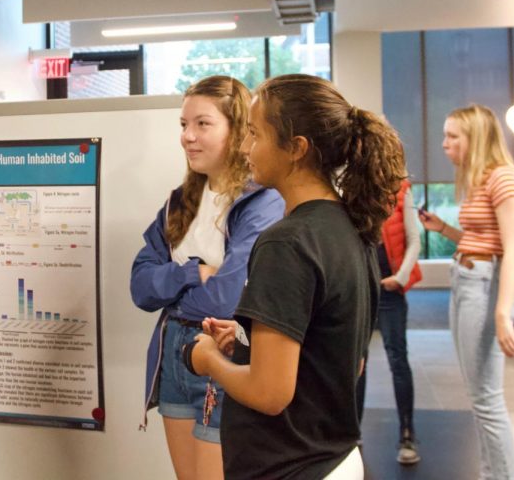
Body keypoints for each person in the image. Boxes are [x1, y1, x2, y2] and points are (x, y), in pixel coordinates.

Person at [185, 74, 406, 480]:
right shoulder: (352, 227)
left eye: (255, 134)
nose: (246, 148)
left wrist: (207, 359)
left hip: (289, 466)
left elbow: (270, 394)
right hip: (335, 459)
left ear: (297, 149)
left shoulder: (286, 243)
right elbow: (342, 359)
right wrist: (250, 342)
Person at [130, 75, 284, 480]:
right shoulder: (179, 202)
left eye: (202, 124)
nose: (187, 136)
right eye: (183, 125)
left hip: (224, 350)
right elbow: (140, 287)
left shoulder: (262, 201)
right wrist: (193, 272)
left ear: (236, 131)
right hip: (174, 359)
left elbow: (226, 299)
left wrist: (179, 287)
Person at [418, 104, 514, 480]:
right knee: (480, 397)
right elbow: (485, 239)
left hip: (484, 287)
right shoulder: (482, 179)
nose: (445, 144)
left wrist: (502, 313)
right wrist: (444, 230)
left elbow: (513, 248)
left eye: (453, 136)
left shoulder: (505, 179)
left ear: (476, 138)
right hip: (468, 280)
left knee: (487, 399)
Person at [356, 178, 423, 465]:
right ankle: (350, 432)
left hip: (390, 290)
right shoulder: (352, 189)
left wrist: (401, 277)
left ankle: (407, 434)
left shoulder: (401, 190)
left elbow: (414, 239)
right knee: (356, 361)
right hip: (361, 291)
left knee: (398, 359)